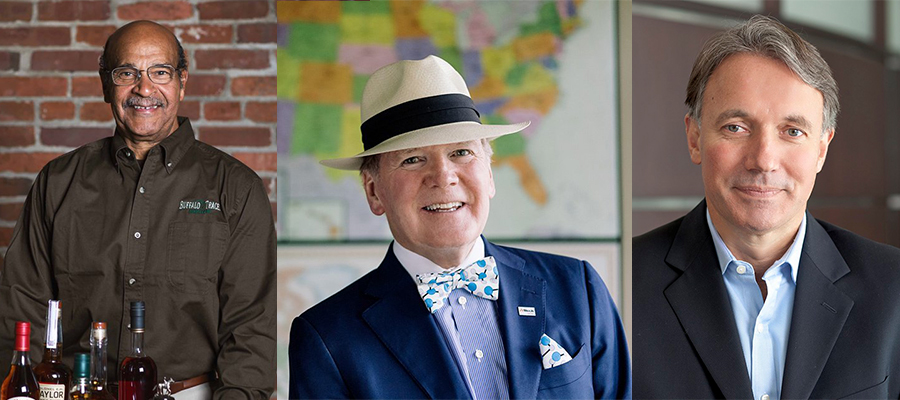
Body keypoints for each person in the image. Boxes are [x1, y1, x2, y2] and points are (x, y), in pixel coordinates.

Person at [288, 55, 631, 399]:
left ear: (490, 173)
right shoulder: (327, 339)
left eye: (461, 152)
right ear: (374, 192)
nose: (443, 176)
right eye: (412, 159)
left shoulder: (578, 289)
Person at [0, 20, 275, 399]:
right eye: (126, 73)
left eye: (160, 72)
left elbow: (251, 329)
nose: (144, 89)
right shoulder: (59, 182)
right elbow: (22, 305)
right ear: (104, 84)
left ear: (182, 81)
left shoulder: (236, 188)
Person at [634, 15, 900, 399]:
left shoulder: (892, 289)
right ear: (694, 138)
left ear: (821, 149)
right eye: (736, 127)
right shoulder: (621, 286)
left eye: (793, 132)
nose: (763, 160)